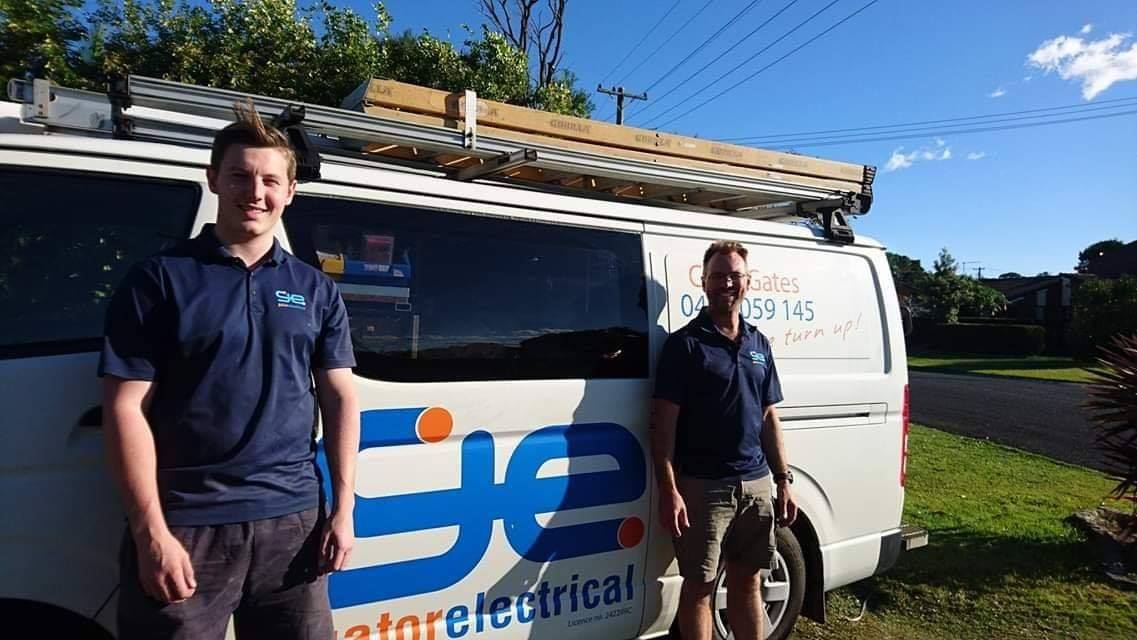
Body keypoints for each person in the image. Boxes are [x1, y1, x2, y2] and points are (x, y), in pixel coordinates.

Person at [99, 102, 360, 640]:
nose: (255, 192)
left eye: (270, 180)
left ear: (290, 191)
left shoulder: (315, 289)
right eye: (240, 176)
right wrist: (151, 534)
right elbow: (125, 407)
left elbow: (340, 399)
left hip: (294, 521)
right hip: (188, 522)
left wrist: (343, 510)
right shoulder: (160, 280)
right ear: (213, 178)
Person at [651, 240, 797, 640]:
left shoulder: (758, 343)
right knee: (699, 587)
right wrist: (669, 490)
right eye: (717, 276)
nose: (726, 284)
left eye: (734, 276)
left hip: (756, 484)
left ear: (748, 282)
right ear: (703, 282)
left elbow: (768, 416)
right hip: (703, 487)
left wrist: (783, 480)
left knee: (747, 581)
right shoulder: (685, 344)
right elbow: (663, 427)